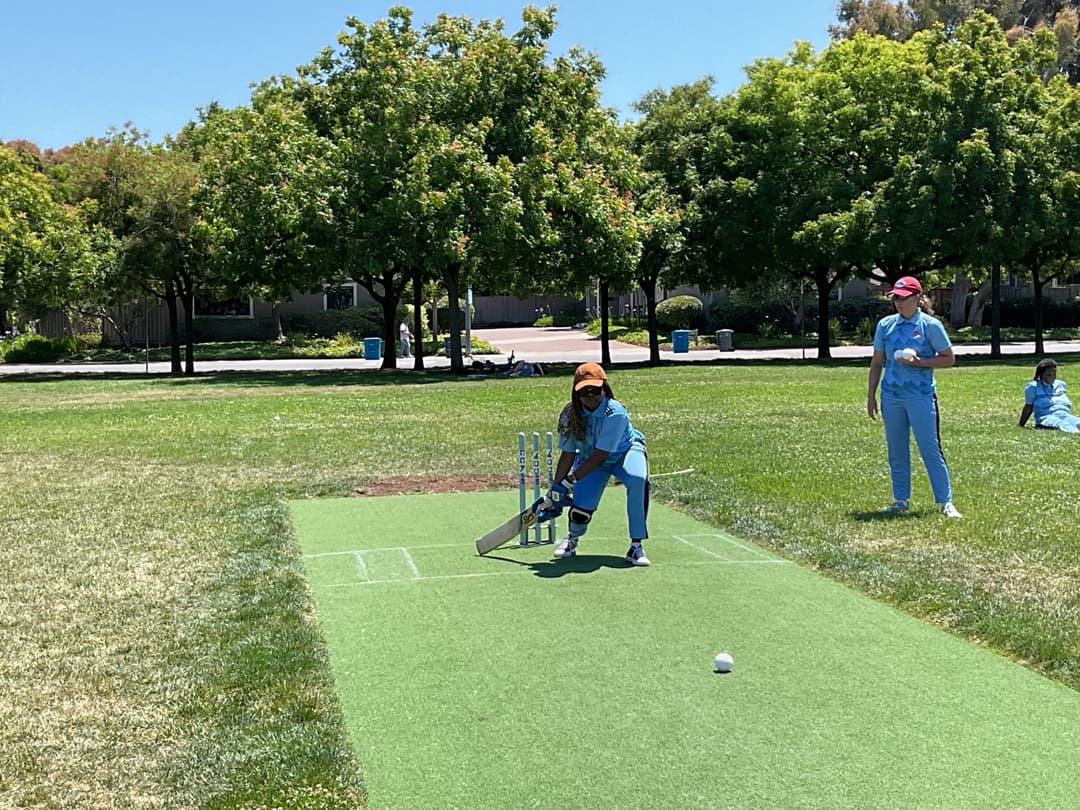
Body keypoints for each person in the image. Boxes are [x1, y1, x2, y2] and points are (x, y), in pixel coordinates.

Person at [867, 276, 962, 518]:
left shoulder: (931, 326)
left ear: (917, 298)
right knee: (896, 450)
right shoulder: (886, 325)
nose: (898, 302)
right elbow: (878, 362)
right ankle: (900, 500)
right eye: (895, 297)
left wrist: (921, 363)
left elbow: (949, 359)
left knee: (930, 449)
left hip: (921, 397)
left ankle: (946, 502)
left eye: (903, 297)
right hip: (891, 397)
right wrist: (871, 395)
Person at [543, 362, 652, 566]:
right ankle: (572, 538)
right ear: (576, 393)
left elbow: (601, 455)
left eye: (596, 390)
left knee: (638, 480)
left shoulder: (615, 413)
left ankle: (636, 545)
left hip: (625, 452)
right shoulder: (569, 416)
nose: (591, 395)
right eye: (585, 391)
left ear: (605, 388)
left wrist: (569, 482)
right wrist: (556, 489)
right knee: (580, 511)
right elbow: (567, 454)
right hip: (590, 459)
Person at [1019, 358, 1080, 433]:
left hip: (1064, 414)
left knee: (1077, 422)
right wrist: (1021, 424)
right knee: (1062, 424)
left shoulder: (1060, 385)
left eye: (1054, 374)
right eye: (1048, 375)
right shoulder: (1033, 387)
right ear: (1041, 374)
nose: (1052, 377)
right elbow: (1028, 406)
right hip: (1046, 417)